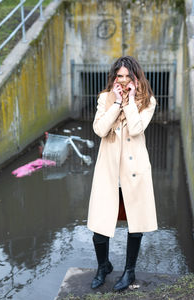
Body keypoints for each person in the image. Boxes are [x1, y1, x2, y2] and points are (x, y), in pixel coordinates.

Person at [87, 56, 158, 292]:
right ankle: (103, 266)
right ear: (114, 77)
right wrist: (117, 102)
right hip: (108, 171)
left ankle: (129, 272)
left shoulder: (148, 101)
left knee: (135, 224)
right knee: (100, 226)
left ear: (136, 78)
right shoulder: (105, 98)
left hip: (135, 171)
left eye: (129, 76)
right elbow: (99, 130)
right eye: (120, 76)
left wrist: (129, 102)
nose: (124, 80)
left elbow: (136, 128)